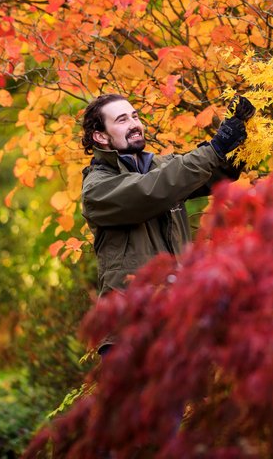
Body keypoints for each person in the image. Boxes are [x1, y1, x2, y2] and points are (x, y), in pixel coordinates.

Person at [79, 93, 254, 352]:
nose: (134, 124)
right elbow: (151, 190)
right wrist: (215, 148)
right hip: (130, 329)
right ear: (101, 136)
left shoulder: (160, 166)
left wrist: (239, 133)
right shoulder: (97, 188)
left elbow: (216, 172)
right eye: (122, 120)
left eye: (135, 116)